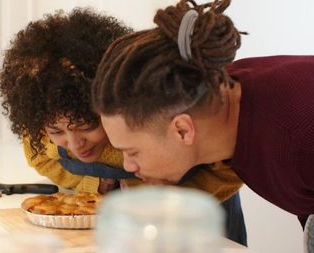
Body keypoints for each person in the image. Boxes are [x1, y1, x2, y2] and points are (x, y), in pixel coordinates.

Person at [0, 8, 247, 245]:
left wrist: (158, 197)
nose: (74, 144)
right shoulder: (44, 124)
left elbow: (229, 168)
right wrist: (94, 187)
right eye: (57, 132)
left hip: (198, 220)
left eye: (86, 125)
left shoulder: (148, 118)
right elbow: (41, 158)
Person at [91, 0, 314, 247]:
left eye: (132, 151)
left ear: (182, 130)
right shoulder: (224, 97)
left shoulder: (297, 136)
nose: (128, 165)